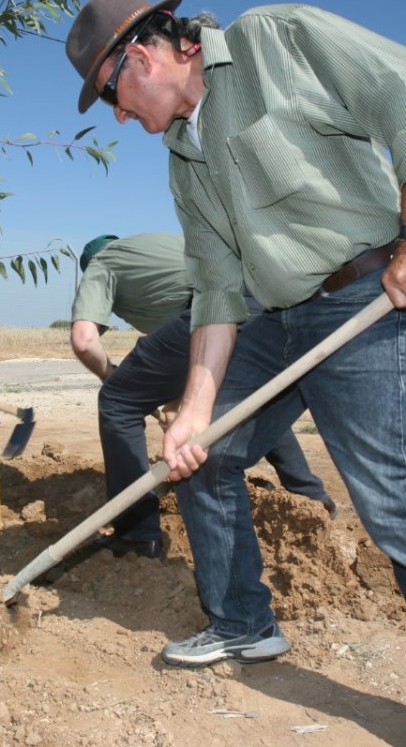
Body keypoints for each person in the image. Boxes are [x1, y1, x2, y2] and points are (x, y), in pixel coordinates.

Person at [66, 0, 406, 747]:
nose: (118, 115)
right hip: (273, 316)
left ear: (142, 57)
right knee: (209, 452)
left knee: (396, 507)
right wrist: (193, 410)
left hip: (365, 296)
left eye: (111, 93)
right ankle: (241, 619)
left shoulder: (273, 41)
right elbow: (216, 290)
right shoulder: (184, 157)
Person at [70, 231, 335, 559]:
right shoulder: (157, 246)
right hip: (266, 301)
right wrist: (180, 403)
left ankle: (137, 535)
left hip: (213, 311)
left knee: (117, 402)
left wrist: (110, 377)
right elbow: (187, 355)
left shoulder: (102, 262)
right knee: (246, 401)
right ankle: (311, 497)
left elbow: (84, 340)